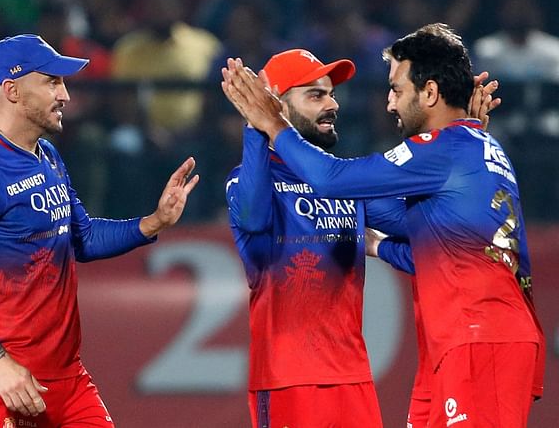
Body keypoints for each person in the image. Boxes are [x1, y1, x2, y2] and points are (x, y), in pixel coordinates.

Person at [223, 23, 544, 427]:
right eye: (316, 94)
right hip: (304, 375)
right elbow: (426, 242)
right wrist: (378, 247)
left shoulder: (441, 153)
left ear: (429, 92)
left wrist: (272, 126)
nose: (389, 104)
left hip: (458, 342)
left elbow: (337, 181)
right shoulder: (467, 148)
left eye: (396, 90)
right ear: (278, 103)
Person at [0, 34, 198, 427]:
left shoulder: (49, 157)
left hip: (68, 378)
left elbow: (84, 237)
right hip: (7, 381)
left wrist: (154, 221)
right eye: (52, 82)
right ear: (12, 90)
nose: (66, 96)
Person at [225, 48, 397, 427]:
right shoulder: (250, 178)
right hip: (288, 379)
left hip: (353, 375)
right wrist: (259, 127)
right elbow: (253, 218)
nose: (332, 104)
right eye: (316, 95)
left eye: (331, 94)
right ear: (277, 105)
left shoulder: (342, 179)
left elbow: (415, 226)